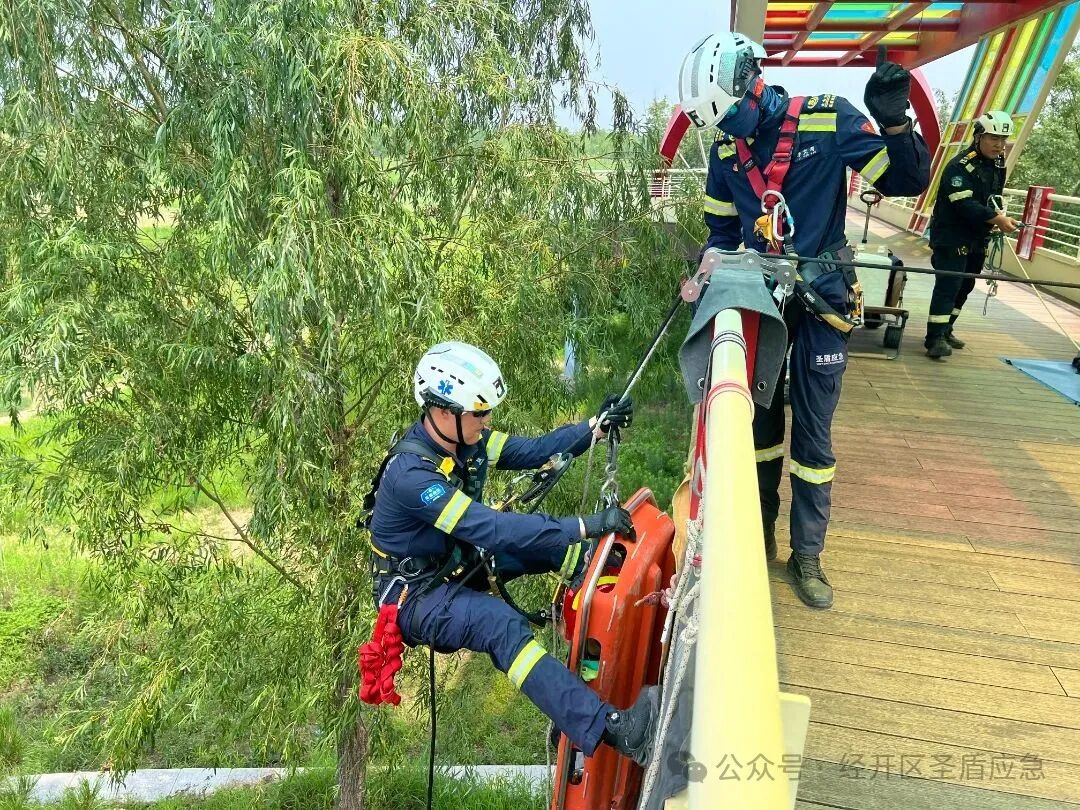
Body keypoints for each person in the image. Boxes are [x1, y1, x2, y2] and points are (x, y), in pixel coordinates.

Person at [678, 33, 930, 609]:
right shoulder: (724, 154)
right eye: (720, 127)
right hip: (760, 300)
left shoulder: (825, 121)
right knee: (759, 427)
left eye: (733, 118)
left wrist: (896, 124)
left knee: (813, 433)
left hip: (822, 301)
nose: (731, 133)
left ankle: (807, 554)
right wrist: (706, 274)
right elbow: (720, 236)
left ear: (751, 86)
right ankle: (760, 535)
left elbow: (906, 180)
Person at [367, 341, 657, 764]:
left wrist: (595, 426)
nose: (486, 421)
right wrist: (583, 526)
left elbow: (534, 450)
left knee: (562, 552)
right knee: (499, 625)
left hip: (452, 562)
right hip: (415, 595)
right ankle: (612, 730)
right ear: (443, 411)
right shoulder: (412, 477)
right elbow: (495, 530)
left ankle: (585, 667)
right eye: (479, 413)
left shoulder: (468, 441)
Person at [924, 111, 1020, 358]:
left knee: (965, 285)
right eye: (993, 138)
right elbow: (963, 203)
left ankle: (946, 329)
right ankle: (934, 338)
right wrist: (996, 219)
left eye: (1003, 139)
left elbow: (991, 198)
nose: (999, 145)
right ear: (978, 137)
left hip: (977, 236)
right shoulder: (959, 166)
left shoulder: (997, 166)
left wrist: (997, 217)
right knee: (949, 285)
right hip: (951, 236)